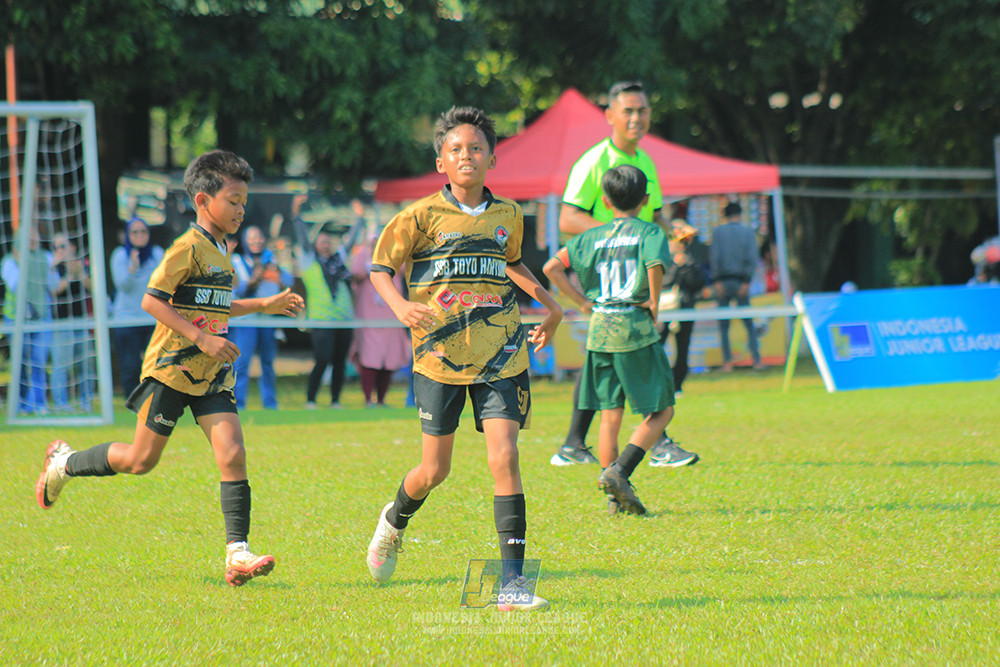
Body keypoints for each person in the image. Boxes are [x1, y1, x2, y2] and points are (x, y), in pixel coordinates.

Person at [35, 150, 305, 587]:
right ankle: (64, 464)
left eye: (244, 200)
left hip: (211, 373)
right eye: (234, 200)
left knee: (233, 453)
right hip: (172, 369)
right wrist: (201, 338)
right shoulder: (188, 247)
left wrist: (266, 304)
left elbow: (216, 306)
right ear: (203, 201)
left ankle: (237, 552)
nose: (241, 209)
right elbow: (151, 300)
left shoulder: (221, 248)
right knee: (141, 460)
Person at [364, 106, 562, 611]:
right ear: (441, 163)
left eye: (476, 148)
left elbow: (513, 264)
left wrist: (552, 307)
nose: (466, 155)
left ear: (493, 158)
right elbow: (381, 269)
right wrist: (401, 306)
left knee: (506, 458)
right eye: (456, 149)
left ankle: (512, 586)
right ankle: (395, 519)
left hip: (502, 354)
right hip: (439, 357)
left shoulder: (509, 215)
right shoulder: (420, 216)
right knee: (434, 470)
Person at [551, 80, 698, 469]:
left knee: (606, 354)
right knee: (640, 350)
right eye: (628, 111)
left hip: (628, 273)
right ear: (610, 116)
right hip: (615, 271)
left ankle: (574, 445)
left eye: (642, 110)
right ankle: (656, 443)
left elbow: (653, 212)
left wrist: (672, 228)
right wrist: (616, 237)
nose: (636, 118)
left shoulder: (646, 161)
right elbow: (567, 217)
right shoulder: (593, 161)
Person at [543, 165, 674, 516]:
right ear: (646, 200)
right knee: (662, 410)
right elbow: (654, 264)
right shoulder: (649, 232)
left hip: (600, 328)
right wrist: (655, 304)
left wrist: (583, 302)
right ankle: (621, 471)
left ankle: (613, 496)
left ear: (604, 200)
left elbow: (551, 268)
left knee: (609, 414)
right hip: (634, 326)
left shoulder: (590, 237)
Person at [293, 195, 364, 409]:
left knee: (340, 362)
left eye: (328, 242)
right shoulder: (309, 259)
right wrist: (296, 214)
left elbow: (351, 240)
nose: (326, 245)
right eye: (322, 242)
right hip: (321, 320)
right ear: (316, 245)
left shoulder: (339, 260)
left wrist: (359, 218)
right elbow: (302, 237)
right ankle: (311, 399)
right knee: (322, 358)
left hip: (343, 319)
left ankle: (335, 400)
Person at [230, 224, 293, 410]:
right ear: (245, 241)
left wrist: (276, 268)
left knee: (268, 363)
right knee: (241, 364)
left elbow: (288, 282)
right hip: (245, 320)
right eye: (252, 238)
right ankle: (238, 404)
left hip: (267, 320)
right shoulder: (237, 261)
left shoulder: (271, 260)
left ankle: (270, 404)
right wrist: (257, 273)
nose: (256, 242)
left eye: (259, 238)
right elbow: (241, 290)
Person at [349, 226, 411, 407]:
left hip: (391, 317)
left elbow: (406, 271)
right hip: (368, 318)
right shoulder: (363, 256)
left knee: (388, 360)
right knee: (368, 359)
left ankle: (382, 399)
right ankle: (368, 398)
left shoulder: (395, 255)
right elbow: (355, 273)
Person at [2, 225, 58, 415]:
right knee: (19, 364)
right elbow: (18, 287)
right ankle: (20, 405)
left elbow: (54, 286)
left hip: (42, 318)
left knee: (38, 362)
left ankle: (39, 405)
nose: (32, 238)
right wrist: (25, 266)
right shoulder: (9, 262)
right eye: (28, 235)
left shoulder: (46, 258)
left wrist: (51, 269)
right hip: (16, 320)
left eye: (35, 233)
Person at [110, 216, 164, 396]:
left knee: (157, 364)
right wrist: (132, 268)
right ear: (127, 235)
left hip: (152, 318)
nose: (140, 235)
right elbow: (123, 285)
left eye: (143, 231)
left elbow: (164, 283)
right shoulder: (120, 255)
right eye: (135, 232)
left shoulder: (156, 254)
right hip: (127, 320)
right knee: (131, 365)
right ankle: (132, 402)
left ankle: (155, 400)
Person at [710, 201, 763, 371]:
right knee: (748, 323)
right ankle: (756, 360)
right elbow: (752, 258)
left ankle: (728, 362)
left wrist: (716, 281)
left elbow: (714, 257)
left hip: (723, 281)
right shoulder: (747, 233)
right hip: (742, 282)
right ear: (740, 214)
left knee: (724, 325)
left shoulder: (718, 232)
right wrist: (747, 282)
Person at [659, 220, 707, 400]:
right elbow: (661, 282)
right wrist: (675, 265)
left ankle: (677, 385)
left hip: (685, 307)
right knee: (657, 348)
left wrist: (685, 264)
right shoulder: (661, 256)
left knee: (683, 348)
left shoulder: (691, 258)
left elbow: (698, 283)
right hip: (663, 309)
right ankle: (660, 383)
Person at [50, 232, 95, 412]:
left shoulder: (85, 264)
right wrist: (68, 275)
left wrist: (80, 274)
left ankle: (87, 401)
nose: (60, 250)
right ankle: (61, 403)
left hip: (82, 321)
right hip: (62, 323)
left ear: (73, 247)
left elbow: (94, 288)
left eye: (63, 246)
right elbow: (54, 291)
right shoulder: (53, 268)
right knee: (62, 365)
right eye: (56, 247)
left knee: (86, 364)